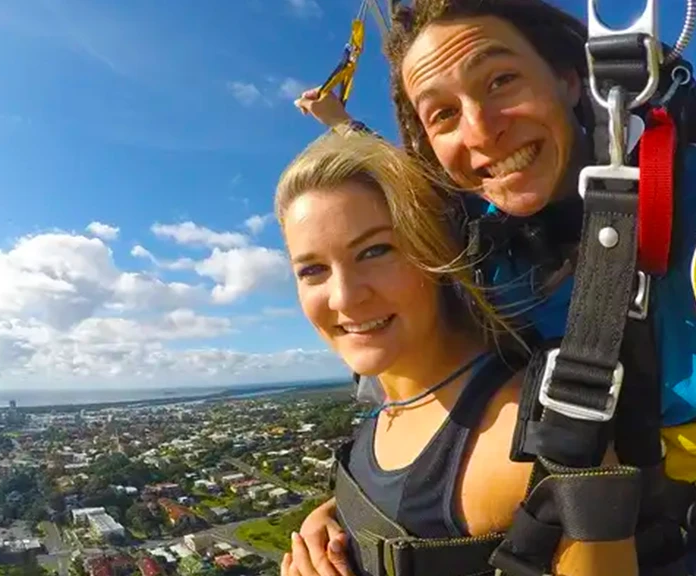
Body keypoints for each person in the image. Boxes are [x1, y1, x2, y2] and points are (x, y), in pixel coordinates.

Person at [292, 0, 696, 572]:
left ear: (569, 78)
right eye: (442, 115)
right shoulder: (475, 246)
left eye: (501, 80)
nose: (482, 131)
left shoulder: (681, 219)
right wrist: (347, 514)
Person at [273, 129, 638, 576]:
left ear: (433, 249)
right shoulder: (388, 401)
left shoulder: (527, 448)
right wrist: (328, 518)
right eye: (312, 269)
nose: (344, 298)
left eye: (374, 250)